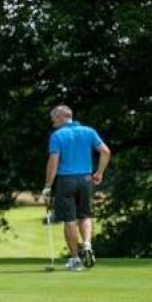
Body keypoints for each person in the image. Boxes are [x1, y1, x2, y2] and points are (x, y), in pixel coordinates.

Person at [41, 104, 111, 272]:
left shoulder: (57, 135)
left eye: (53, 119)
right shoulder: (88, 131)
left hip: (66, 181)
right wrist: (99, 173)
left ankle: (75, 259)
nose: (52, 122)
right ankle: (87, 244)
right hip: (86, 179)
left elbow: (53, 162)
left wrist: (48, 185)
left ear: (61, 117)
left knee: (69, 220)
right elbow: (105, 151)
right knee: (85, 216)